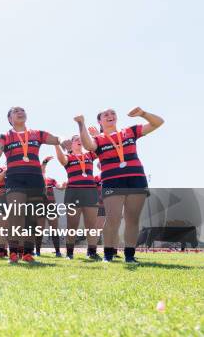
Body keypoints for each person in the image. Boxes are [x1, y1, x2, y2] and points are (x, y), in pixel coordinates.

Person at [76, 107, 164, 263]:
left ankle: (129, 255)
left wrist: (143, 114)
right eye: (106, 114)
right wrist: (81, 124)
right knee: (113, 219)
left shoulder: (130, 131)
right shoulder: (98, 139)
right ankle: (108, 255)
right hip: (112, 180)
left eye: (112, 113)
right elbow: (88, 146)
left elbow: (158, 123)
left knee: (132, 219)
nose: (110, 116)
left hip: (136, 179)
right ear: (100, 121)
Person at [0, 106, 61, 264]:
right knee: (16, 215)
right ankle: (13, 252)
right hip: (15, 179)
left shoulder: (37, 133)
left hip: (35, 179)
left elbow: (55, 139)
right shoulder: (4, 136)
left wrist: (62, 140)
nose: (20, 112)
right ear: (10, 119)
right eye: (15, 111)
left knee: (31, 218)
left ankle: (27, 252)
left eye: (22, 110)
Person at [54, 137, 100, 260]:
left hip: (90, 192)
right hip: (73, 193)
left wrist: (96, 135)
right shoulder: (68, 157)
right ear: (71, 144)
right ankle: (69, 253)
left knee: (91, 224)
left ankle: (92, 252)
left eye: (81, 139)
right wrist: (56, 144)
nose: (80, 140)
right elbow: (61, 160)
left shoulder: (90, 154)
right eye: (76, 139)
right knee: (72, 225)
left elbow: (100, 147)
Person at [40, 156, 62, 257]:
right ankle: (37, 252)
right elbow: (42, 169)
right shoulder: (36, 180)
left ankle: (58, 251)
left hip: (51, 207)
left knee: (54, 229)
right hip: (39, 207)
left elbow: (59, 186)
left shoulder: (51, 180)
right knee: (39, 229)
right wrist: (44, 162)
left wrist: (63, 185)